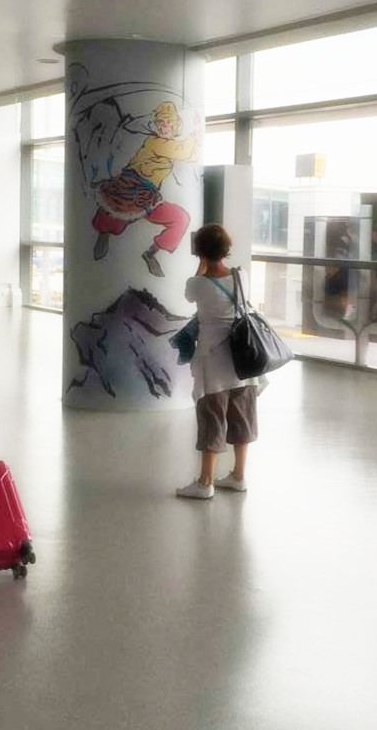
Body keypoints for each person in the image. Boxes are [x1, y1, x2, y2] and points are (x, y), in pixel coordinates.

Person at [176, 223, 266, 500]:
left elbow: (189, 296)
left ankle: (205, 483)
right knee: (242, 417)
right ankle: (238, 476)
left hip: (213, 363)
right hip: (244, 360)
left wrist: (202, 265)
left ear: (199, 251)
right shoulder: (242, 277)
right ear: (226, 248)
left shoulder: (198, 284)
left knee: (212, 419)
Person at [91, 100, 198, 278]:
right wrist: (196, 134)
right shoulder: (155, 142)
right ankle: (104, 234)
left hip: (148, 195)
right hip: (130, 187)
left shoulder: (164, 144)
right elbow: (184, 152)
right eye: (161, 122)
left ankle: (151, 253)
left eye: (169, 122)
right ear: (156, 125)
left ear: (175, 125)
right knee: (116, 212)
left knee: (181, 218)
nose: (165, 126)